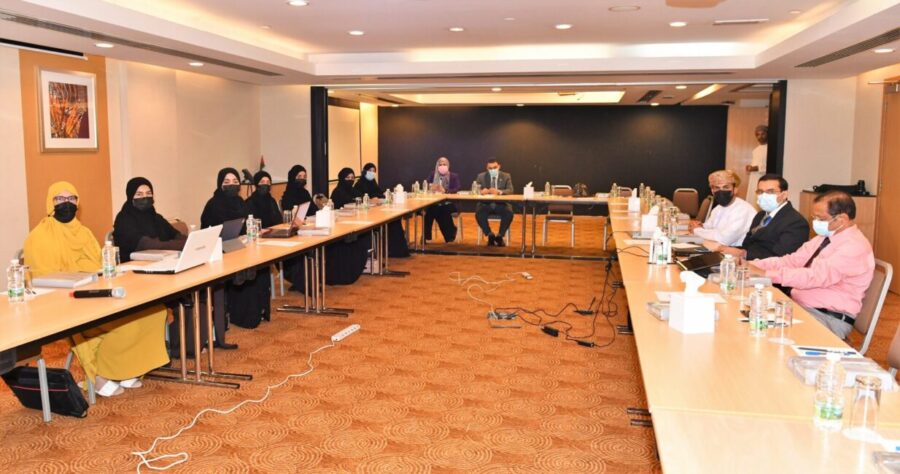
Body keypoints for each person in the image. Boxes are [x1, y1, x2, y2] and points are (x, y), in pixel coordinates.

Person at [24, 181, 169, 397]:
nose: (66, 203)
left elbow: (100, 265)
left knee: (153, 311)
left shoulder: (83, 232)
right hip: (64, 302)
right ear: (49, 203)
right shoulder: (39, 237)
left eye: (71, 198)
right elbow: (44, 280)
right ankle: (99, 374)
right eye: (60, 199)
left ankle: (125, 368)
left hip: (97, 292)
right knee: (115, 322)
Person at [751, 191, 875, 339]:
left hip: (827, 317)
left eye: (820, 218)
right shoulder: (824, 238)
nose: (816, 222)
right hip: (803, 307)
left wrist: (766, 275)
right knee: (752, 317)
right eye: (814, 218)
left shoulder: (854, 247)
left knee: (763, 332)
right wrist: (754, 265)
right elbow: (792, 261)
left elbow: (814, 277)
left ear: (842, 219)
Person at [201, 167, 268, 334]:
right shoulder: (213, 204)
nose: (232, 185)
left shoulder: (240, 202)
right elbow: (207, 232)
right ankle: (240, 314)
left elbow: (246, 225)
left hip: (238, 245)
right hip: (219, 250)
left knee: (258, 266)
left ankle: (255, 311)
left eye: (235, 181)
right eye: (227, 182)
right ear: (220, 184)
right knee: (245, 268)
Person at [705, 174, 809, 261]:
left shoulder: (796, 222)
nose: (764, 195)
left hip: (770, 273)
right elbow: (747, 245)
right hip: (747, 265)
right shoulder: (761, 215)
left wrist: (743, 254)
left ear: (784, 194)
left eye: (770, 192)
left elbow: (781, 258)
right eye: (760, 192)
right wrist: (724, 249)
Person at [113, 177, 186, 263]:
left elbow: (175, 234)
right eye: (139, 194)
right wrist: (183, 244)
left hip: (159, 261)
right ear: (130, 196)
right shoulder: (123, 219)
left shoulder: (156, 217)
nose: (145, 197)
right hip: (133, 265)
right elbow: (148, 245)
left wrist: (190, 242)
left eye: (148, 193)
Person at [354, 162, 410, 258]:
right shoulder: (359, 184)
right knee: (391, 223)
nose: (372, 173)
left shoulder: (373, 183)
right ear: (364, 172)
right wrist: (371, 200)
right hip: (368, 215)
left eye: (374, 171)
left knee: (395, 220)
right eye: (370, 170)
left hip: (378, 211)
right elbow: (360, 198)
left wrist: (380, 197)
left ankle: (397, 250)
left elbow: (380, 193)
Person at [688, 170, 756, 247]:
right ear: (712, 191)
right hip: (715, 247)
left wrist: (697, 230)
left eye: (726, 187)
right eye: (717, 188)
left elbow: (724, 239)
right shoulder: (718, 208)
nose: (721, 191)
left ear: (735, 189)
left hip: (734, 251)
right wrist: (699, 225)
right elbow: (709, 226)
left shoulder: (743, 210)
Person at [327, 167, 371, 284]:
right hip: (340, 226)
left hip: (352, 222)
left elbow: (361, 198)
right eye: (347, 178)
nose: (350, 180)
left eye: (352, 178)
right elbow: (343, 204)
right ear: (342, 178)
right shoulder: (337, 192)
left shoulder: (352, 190)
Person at [474, 158, 515, 246]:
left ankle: (500, 236)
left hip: (501, 204)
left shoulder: (506, 176)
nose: (492, 170)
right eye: (490, 168)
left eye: (495, 167)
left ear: (499, 166)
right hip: (486, 204)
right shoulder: (481, 176)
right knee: (479, 213)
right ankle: (489, 234)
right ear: (487, 168)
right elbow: (473, 189)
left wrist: (499, 192)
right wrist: (480, 191)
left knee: (509, 213)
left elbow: (510, 190)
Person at [424, 156, 461, 242]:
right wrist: (431, 187)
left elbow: (457, 188)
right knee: (429, 210)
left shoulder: (454, 176)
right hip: (435, 202)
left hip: (450, 203)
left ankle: (449, 235)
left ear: (448, 165)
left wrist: (445, 191)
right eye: (440, 164)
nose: (442, 166)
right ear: (437, 166)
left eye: (444, 164)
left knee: (440, 210)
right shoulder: (433, 174)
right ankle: (429, 236)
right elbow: (426, 184)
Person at [745, 125, 768, 203]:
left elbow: (769, 165)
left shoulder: (770, 149)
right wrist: (750, 167)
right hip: (754, 178)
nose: (760, 137)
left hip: (763, 178)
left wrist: (756, 168)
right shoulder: (755, 150)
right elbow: (755, 164)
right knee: (752, 199)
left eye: (763, 134)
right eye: (758, 134)